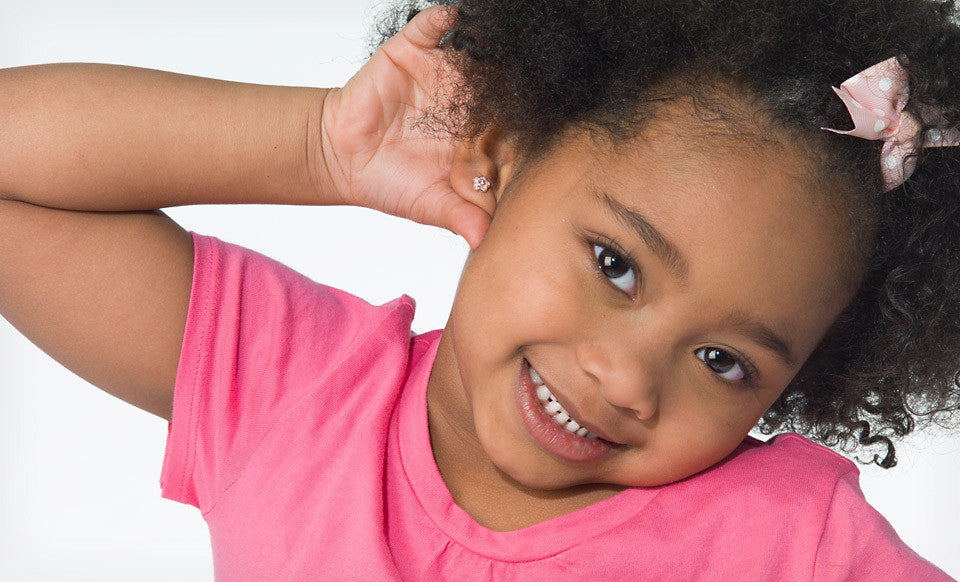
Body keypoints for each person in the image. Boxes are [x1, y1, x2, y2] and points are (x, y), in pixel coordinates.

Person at [0, 0, 957, 579]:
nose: (627, 380)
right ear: (501, 154)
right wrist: (317, 147)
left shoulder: (791, 547)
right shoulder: (299, 394)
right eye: (615, 264)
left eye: (723, 360)